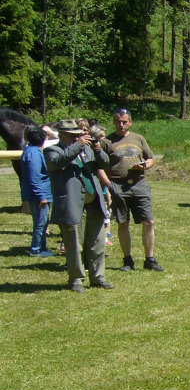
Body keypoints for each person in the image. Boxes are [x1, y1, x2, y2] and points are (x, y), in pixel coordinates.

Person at [43, 119, 114, 292]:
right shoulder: (53, 150)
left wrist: (98, 152)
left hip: (94, 202)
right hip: (73, 204)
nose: (76, 138)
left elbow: (105, 164)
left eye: (78, 135)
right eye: (72, 136)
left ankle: (98, 277)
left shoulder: (87, 149)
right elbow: (57, 162)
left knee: (97, 242)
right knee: (75, 244)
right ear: (62, 135)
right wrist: (78, 146)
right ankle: (76, 279)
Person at [100, 108, 164, 271]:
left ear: (130, 122)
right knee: (123, 222)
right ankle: (127, 260)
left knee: (149, 221)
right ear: (114, 122)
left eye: (124, 122)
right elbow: (100, 167)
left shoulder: (138, 138)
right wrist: (108, 186)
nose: (121, 125)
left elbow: (150, 159)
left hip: (139, 183)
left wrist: (145, 165)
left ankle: (150, 259)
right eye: (118, 121)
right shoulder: (107, 142)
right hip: (118, 186)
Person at [21, 124, 54, 257]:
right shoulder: (33, 154)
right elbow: (34, 178)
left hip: (42, 192)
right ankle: (36, 249)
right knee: (40, 222)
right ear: (43, 139)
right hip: (39, 195)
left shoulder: (33, 151)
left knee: (43, 221)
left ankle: (43, 247)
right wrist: (42, 197)